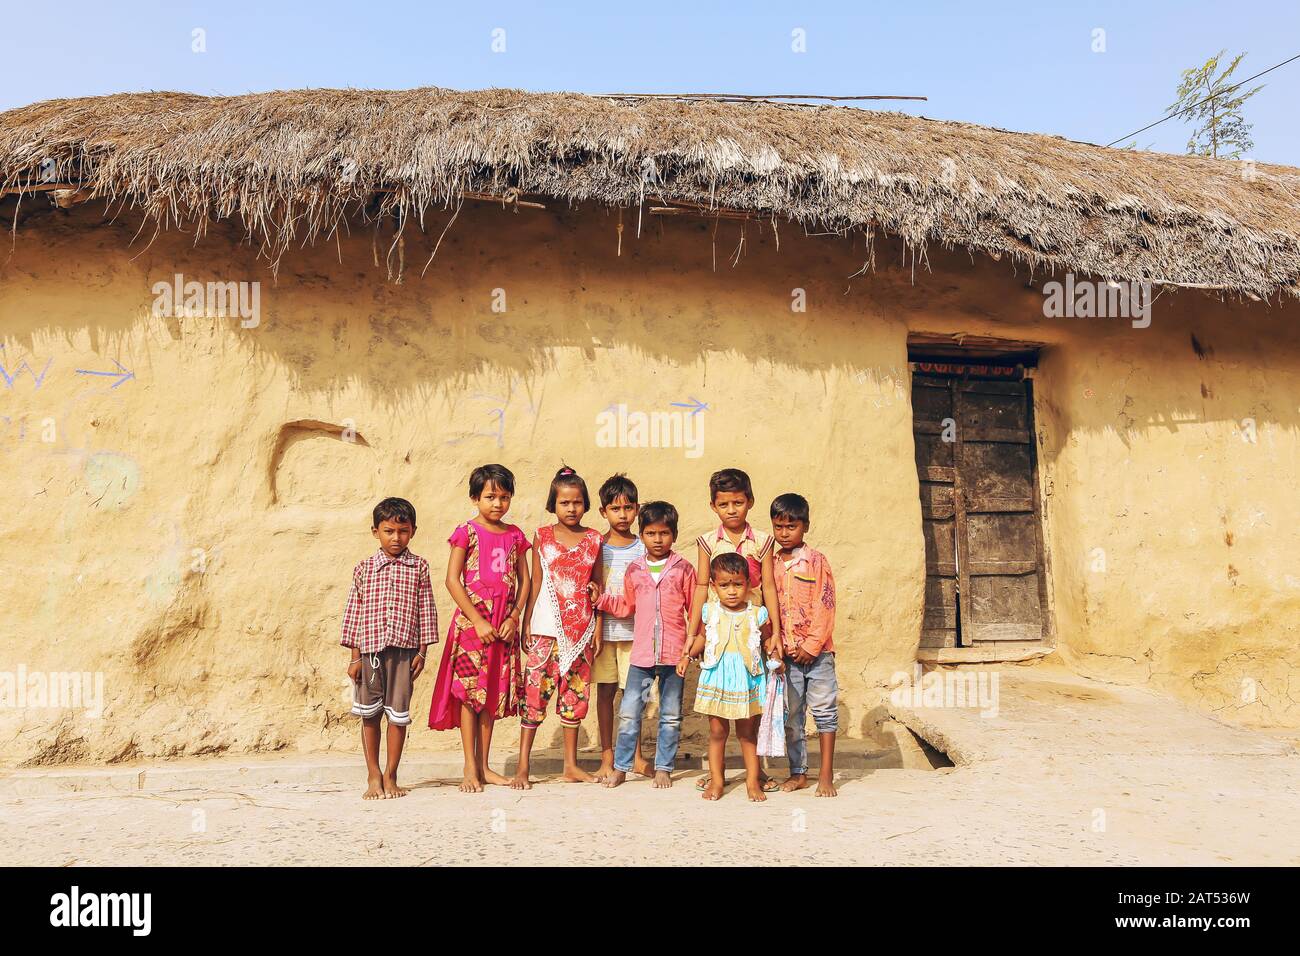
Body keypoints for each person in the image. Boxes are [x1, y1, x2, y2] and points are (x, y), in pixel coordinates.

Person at [428, 464, 531, 793]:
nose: (498, 504)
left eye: (504, 497)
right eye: (490, 497)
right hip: (474, 629)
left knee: (490, 697)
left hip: (503, 627)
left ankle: (485, 765)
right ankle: (470, 767)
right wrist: (477, 619)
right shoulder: (466, 532)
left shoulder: (515, 535)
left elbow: (525, 581)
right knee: (469, 696)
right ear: (475, 498)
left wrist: (514, 617)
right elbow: (452, 579)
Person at [588, 501, 696, 789]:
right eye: (650, 533)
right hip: (642, 655)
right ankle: (622, 767)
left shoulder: (683, 569)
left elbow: (693, 611)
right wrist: (600, 599)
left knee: (671, 715)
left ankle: (663, 767)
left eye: (663, 533)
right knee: (629, 712)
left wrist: (692, 646)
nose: (657, 539)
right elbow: (626, 606)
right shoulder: (635, 570)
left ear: (674, 534)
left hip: (675, 656)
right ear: (643, 534)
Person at [689, 468, 783, 792]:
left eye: (738, 503)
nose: (732, 510)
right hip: (718, 632)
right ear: (714, 506)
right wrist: (692, 633)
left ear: (750, 502)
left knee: (748, 714)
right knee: (718, 721)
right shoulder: (706, 541)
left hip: (752, 630)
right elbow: (702, 585)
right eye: (724, 504)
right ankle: (718, 776)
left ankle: (756, 775)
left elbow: (769, 586)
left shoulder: (762, 541)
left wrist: (776, 633)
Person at [340, 497, 437, 799]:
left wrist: (422, 652)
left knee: (398, 716)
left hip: (403, 654)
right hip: (369, 653)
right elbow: (353, 612)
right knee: (369, 715)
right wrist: (355, 657)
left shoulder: (419, 566)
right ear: (375, 532)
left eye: (403, 531)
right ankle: (373, 775)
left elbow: (426, 609)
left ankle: (392, 775)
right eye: (388, 531)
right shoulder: (364, 569)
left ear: (413, 531)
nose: (396, 538)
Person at [513, 466, 602, 788]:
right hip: (544, 629)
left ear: (585, 504)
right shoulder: (542, 536)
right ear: (553, 504)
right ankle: (523, 766)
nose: (571, 508)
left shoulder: (594, 539)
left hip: (580, 631)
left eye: (577, 502)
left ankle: (570, 765)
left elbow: (598, 585)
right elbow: (535, 581)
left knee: (574, 696)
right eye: (564, 503)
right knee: (534, 695)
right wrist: (525, 621)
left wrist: (598, 630)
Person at [684, 552, 778, 802]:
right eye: (724, 585)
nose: (732, 591)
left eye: (738, 584)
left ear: (748, 584)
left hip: (747, 679)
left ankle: (752, 782)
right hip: (718, 678)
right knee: (717, 732)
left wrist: (775, 655)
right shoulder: (710, 612)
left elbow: (767, 639)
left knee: (748, 734)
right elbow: (703, 639)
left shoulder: (757, 613)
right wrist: (687, 656)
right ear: (714, 587)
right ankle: (716, 780)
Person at [770, 493, 839, 797]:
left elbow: (826, 603)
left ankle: (826, 774)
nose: (784, 533)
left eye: (792, 526)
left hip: (818, 655)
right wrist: (780, 645)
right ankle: (798, 772)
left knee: (824, 711)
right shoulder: (769, 564)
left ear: (805, 527)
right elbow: (769, 606)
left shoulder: (816, 561)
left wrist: (811, 646)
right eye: (778, 526)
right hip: (787, 656)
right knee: (792, 717)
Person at [591, 473, 650, 782]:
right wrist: (598, 633)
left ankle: (636, 756)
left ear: (637, 509)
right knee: (606, 694)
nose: (623, 515)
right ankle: (607, 755)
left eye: (628, 508)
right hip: (606, 635)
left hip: (635, 636)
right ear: (604, 512)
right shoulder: (597, 547)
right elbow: (594, 594)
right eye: (615, 509)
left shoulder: (643, 548)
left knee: (633, 696)